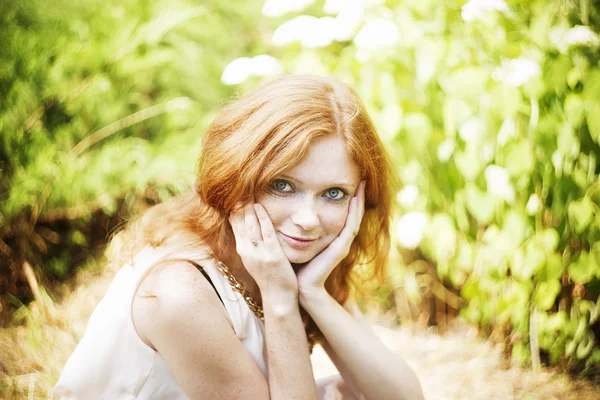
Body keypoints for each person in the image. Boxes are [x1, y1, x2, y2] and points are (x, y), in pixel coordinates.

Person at [53, 75, 424, 400]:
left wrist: (312, 293)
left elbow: (402, 396)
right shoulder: (181, 290)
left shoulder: (296, 261)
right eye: (283, 185)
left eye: (334, 193)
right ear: (239, 175)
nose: (308, 220)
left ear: (360, 198)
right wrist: (280, 297)